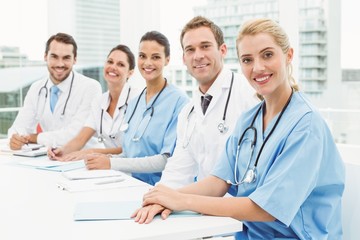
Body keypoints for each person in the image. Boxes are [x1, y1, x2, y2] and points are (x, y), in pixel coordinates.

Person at [132, 18, 345, 239]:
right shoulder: (248, 120)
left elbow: (266, 208)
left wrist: (181, 200)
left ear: (288, 55)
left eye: (268, 55)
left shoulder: (306, 125)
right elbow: (218, 182)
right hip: (247, 234)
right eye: (247, 59)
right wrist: (162, 197)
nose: (258, 67)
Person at [158, 16, 258, 189]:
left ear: (223, 50)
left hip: (243, 207)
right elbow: (179, 169)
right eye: (190, 49)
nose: (198, 56)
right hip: (207, 208)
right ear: (183, 59)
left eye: (205, 46)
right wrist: (158, 197)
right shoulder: (188, 113)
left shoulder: (249, 94)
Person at [84, 31, 189, 186]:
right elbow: (128, 154)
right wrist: (104, 160)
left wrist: (111, 163)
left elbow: (166, 160)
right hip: (133, 183)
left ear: (167, 60)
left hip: (163, 189)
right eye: (142, 56)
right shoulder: (134, 103)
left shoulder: (179, 101)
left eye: (155, 57)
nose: (147, 63)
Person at [8, 33, 102, 150]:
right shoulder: (36, 88)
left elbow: (75, 134)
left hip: (85, 160)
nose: (60, 64)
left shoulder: (91, 87)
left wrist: (34, 138)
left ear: (75, 59)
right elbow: (18, 127)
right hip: (51, 158)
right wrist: (15, 138)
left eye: (66, 58)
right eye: (54, 56)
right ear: (45, 57)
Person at [48, 44, 138, 161]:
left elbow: (131, 148)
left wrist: (91, 152)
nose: (113, 67)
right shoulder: (99, 102)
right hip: (110, 166)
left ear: (130, 73)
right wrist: (61, 150)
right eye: (110, 62)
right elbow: (80, 139)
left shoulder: (137, 99)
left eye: (120, 64)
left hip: (133, 169)